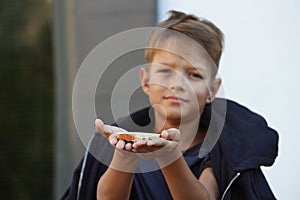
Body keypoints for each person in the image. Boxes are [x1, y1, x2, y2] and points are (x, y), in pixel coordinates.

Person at [62, 10, 278, 200]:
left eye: (194, 75)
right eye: (165, 71)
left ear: (212, 90)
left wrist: (169, 157)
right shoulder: (122, 143)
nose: (177, 84)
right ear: (146, 81)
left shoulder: (220, 149)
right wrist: (124, 158)